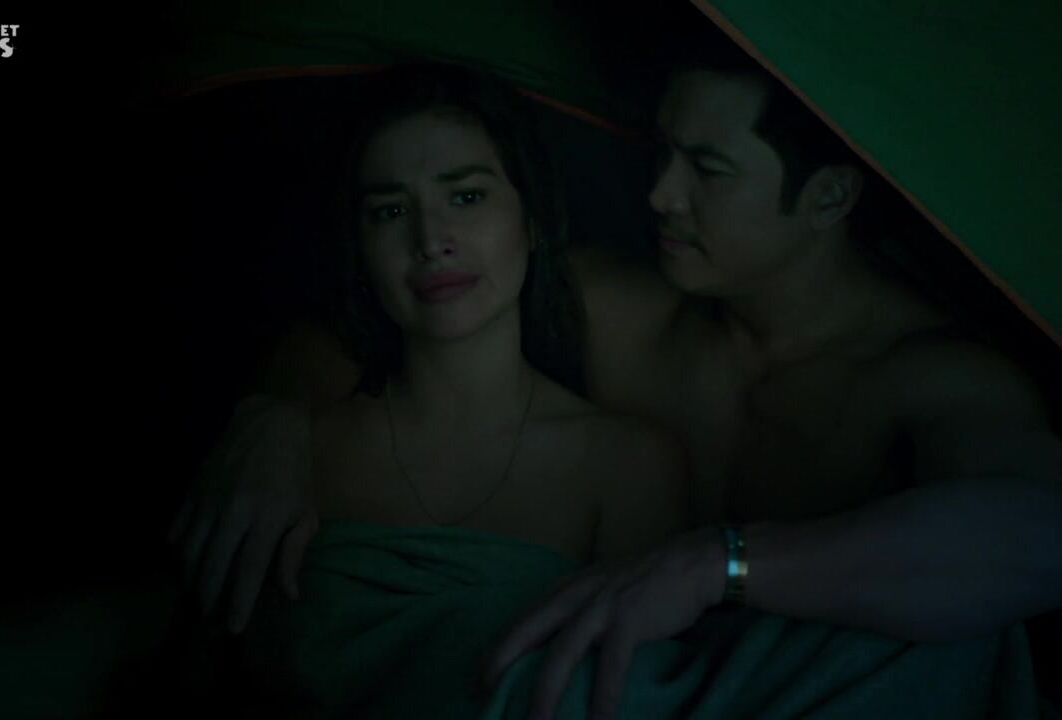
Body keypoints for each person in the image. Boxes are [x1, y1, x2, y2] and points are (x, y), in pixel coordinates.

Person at [170, 28, 1062, 719]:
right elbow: (388, 310)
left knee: (965, 642)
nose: (658, 194)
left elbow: (1039, 538)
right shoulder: (620, 309)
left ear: (827, 195)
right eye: (662, 152)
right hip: (610, 682)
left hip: (776, 688)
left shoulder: (933, 382)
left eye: (705, 169)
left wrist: (720, 566)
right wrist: (272, 421)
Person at [166, 62, 689, 717]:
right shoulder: (292, 451)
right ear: (360, 249)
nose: (430, 240)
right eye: (390, 211)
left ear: (530, 220)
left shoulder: (627, 466)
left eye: (465, 198)